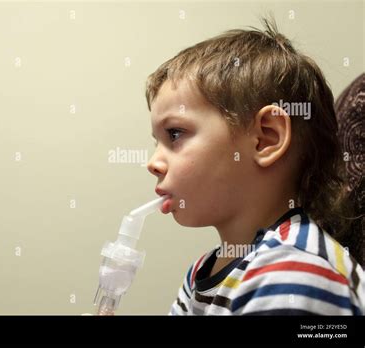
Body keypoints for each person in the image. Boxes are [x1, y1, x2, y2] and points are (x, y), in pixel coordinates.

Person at [145, 17, 364, 315]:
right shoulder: (200, 275)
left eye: (174, 134)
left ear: (266, 139)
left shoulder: (294, 273)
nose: (153, 163)